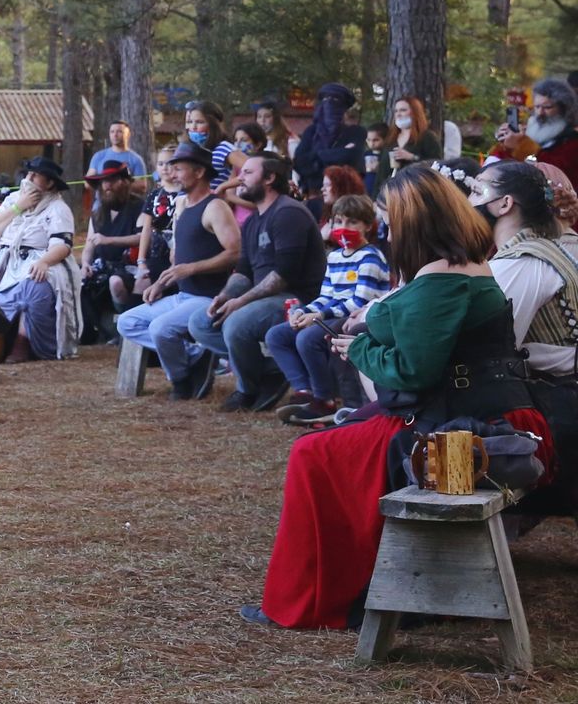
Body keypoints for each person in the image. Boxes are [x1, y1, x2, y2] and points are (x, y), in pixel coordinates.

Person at [244, 168, 554, 630]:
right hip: (469, 408)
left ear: (414, 219)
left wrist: (363, 348)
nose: (386, 226)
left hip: (461, 430)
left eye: (390, 215)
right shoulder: (466, 262)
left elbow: (415, 370)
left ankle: (320, 598)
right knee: (343, 430)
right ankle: (373, 585)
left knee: (312, 454)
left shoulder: (441, 279)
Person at [187, 154, 326, 412]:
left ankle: (247, 390)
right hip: (265, 299)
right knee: (200, 322)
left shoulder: (288, 213)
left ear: (270, 178)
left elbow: (284, 275)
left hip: (297, 300)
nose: (240, 178)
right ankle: (271, 372)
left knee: (236, 324)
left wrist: (240, 302)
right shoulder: (252, 221)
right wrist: (226, 296)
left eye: (248, 173)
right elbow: (243, 270)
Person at [477, 161, 578, 514]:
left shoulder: (521, 262)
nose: (468, 203)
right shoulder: (563, 244)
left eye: (477, 192)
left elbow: (495, 346)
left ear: (504, 204)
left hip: (559, 403)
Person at [117, 141, 242, 398]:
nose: (172, 174)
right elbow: (179, 259)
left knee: (160, 328)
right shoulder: (183, 206)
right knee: (128, 322)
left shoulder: (215, 207)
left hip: (209, 298)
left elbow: (235, 253)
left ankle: (181, 381)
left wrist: (191, 269)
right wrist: (161, 283)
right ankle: (196, 355)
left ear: (198, 172)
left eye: (179, 168)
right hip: (182, 296)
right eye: (171, 168)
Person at [265, 194, 392, 425]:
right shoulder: (334, 256)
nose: (344, 228)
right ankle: (305, 391)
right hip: (330, 314)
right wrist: (304, 312)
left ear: (367, 225)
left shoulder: (371, 257)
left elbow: (359, 302)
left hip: (353, 318)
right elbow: (326, 296)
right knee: (277, 335)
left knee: (307, 339)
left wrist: (319, 316)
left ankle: (324, 398)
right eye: (339, 221)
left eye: (352, 222)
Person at [0, 157, 82, 361]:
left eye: (35, 175)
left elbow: (63, 245)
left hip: (41, 258)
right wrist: (19, 206)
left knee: (34, 286)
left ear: (50, 183)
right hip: (6, 258)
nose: (29, 178)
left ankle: (23, 341)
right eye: (28, 173)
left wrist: (44, 261)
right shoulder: (14, 199)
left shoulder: (58, 208)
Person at [80, 161, 145, 345]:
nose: (107, 185)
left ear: (124, 182)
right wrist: (85, 263)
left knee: (115, 282)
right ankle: (93, 330)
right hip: (101, 266)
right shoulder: (98, 212)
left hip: (130, 266)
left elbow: (142, 237)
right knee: (77, 278)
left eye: (112, 180)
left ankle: (124, 328)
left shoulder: (139, 206)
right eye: (103, 181)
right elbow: (89, 246)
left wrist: (109, 240)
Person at [290, 82, 368, 198]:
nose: (330, 103)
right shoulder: (311, 132)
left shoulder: (355, 132)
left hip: (346, 198)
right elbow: (299, 163)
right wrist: (333, 155)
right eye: (326, 99)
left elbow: (349, 158)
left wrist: (316, 158)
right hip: (314, 196)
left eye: (336, 99)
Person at [132, 143, 183, 297]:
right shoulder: (154, 195)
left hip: (179, 251)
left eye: (169, 163)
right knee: (143, 285)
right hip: (157, 251)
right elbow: (146, 228)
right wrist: (141, 260)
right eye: (161, 164)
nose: (165, 168)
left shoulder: (184, 194)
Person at [375, 95, 443, 177]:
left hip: (416, 186)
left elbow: (437, 164)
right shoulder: (391, 138)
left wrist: (412, 157)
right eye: (396, 111)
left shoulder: (427, 137)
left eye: (403, 110)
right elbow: (382, 172)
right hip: (390, 187)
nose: (398, 114)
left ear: (415, 112)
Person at [183, 101, 241, 187]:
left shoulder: (223, 149)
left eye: (199, 122)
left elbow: (253, 169)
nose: (193, 127)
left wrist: (223, 187)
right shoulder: (187, 150)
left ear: (212, 124)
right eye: (190, 122)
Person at [86, 121, 147, 202]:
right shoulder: (98, 156)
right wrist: (105, 184)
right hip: (101, 205)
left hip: (126, 207)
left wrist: (122, 185)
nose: (115, 135)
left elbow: (142, 187)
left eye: (119, 131)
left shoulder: (135, 159)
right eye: (112, 132)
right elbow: (88, 184)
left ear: (128, 135)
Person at [361, 122, 390, 197]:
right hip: (366, 189)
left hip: (381, 190)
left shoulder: (386, 155)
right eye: (368, 140)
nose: (371, 143)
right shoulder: (366, 154)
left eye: (375, 140)